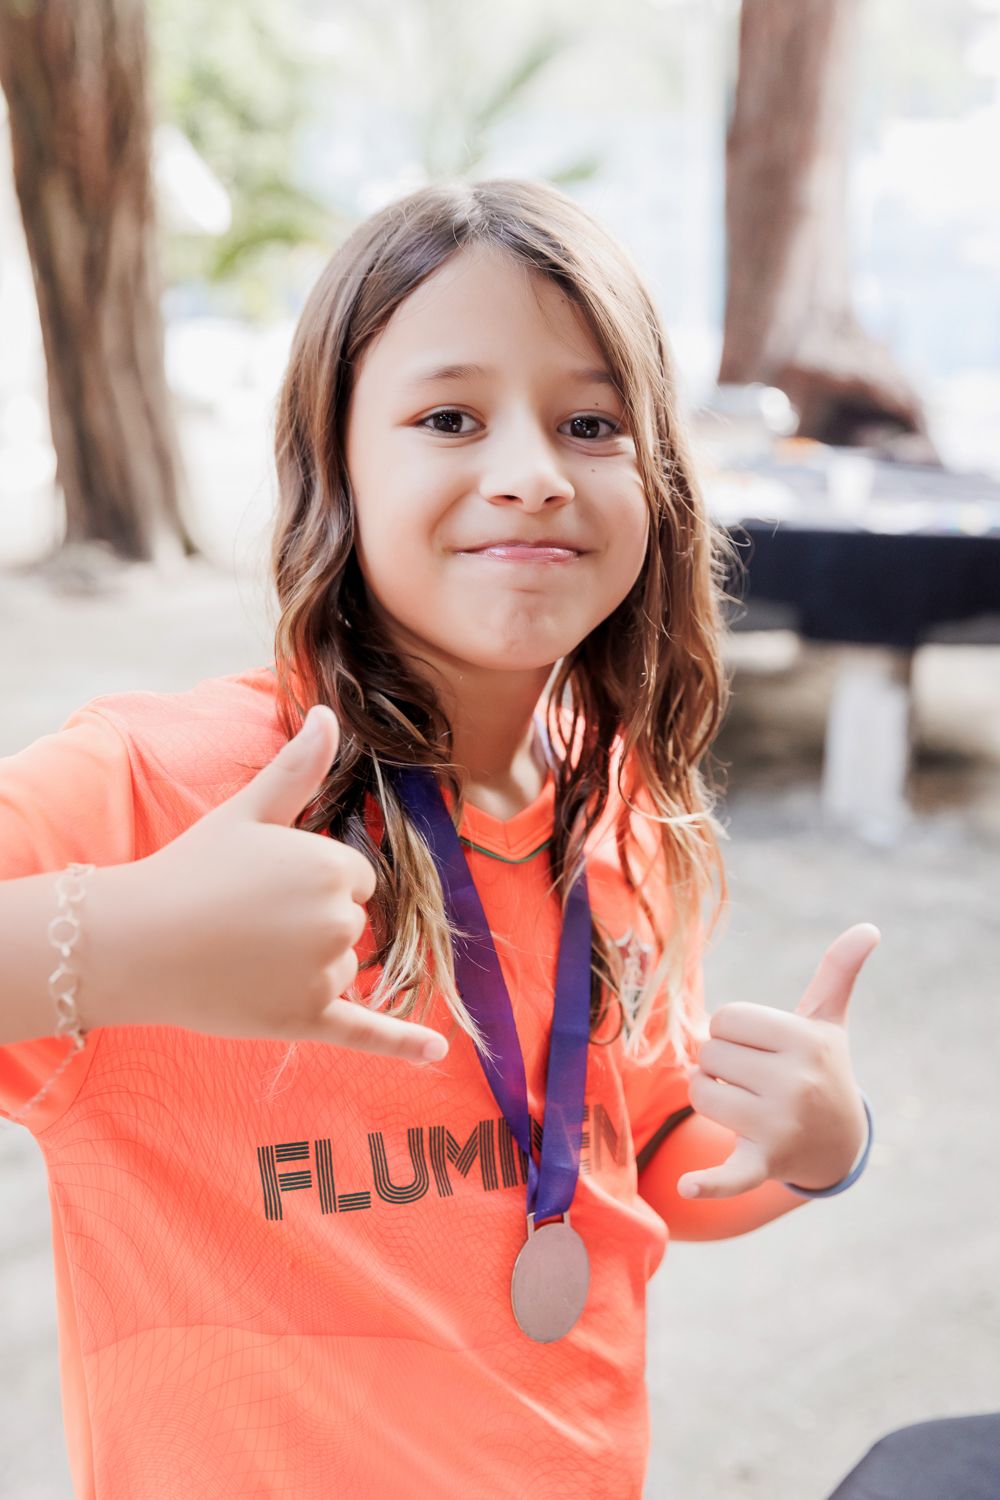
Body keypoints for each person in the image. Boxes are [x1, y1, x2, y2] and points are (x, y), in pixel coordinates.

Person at [0, 179, 879, 1500]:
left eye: (591, 422)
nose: (529, 473)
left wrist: (815, 1145)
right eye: (449, 417)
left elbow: (625, 1169)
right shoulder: (162, 784)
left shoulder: (615, 794)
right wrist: (115, 943)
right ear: (334, 460)